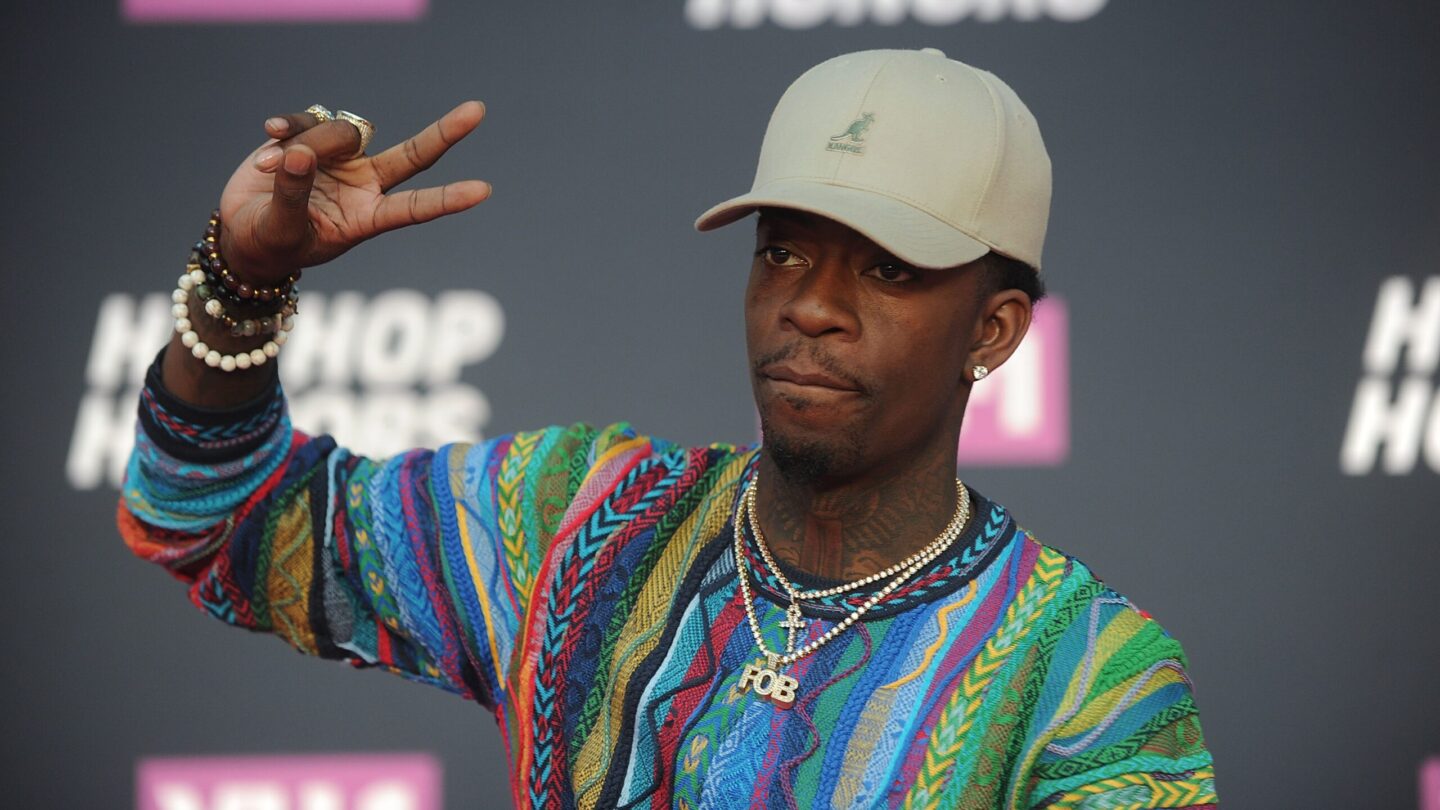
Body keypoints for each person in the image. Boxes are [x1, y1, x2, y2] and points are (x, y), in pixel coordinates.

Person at [120, 48, 1217, 808]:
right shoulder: (580, 521)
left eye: (888, 269)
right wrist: (242, 280)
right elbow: (222, 524)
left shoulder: (1089, 685)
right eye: (783, 249)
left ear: (996, 329)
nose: (811, 305)